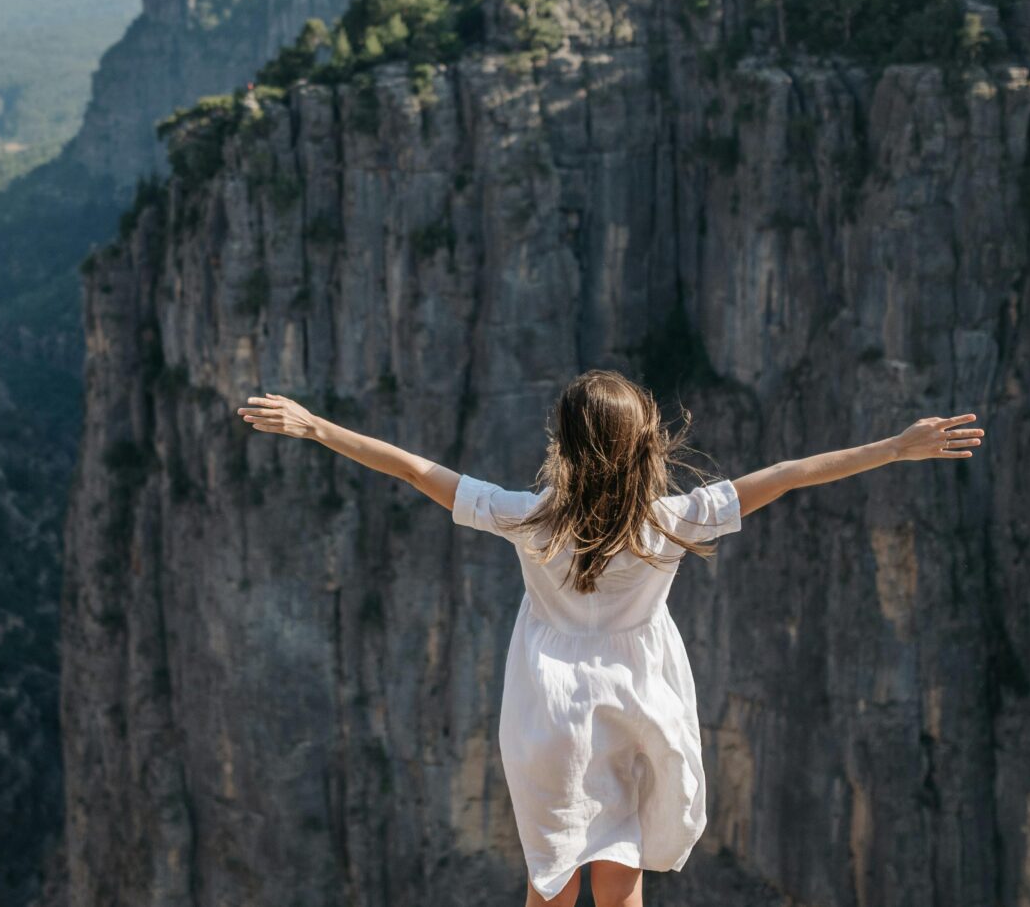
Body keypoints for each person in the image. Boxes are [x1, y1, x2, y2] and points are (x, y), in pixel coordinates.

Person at [237, 368, 983, 907]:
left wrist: (316, 426)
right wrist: (893, 446)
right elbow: (787, 475)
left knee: (551, 878)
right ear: (646, 446)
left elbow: (414, 469)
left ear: (562, 444)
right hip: (639, 703)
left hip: (548, 712)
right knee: (619, 876)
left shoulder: (529, 519)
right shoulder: (672, 520)